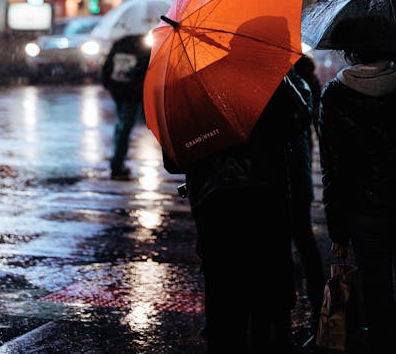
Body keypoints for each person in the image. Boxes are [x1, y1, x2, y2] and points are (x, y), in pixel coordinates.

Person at [163, 20, 312, 354]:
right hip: (265, 205)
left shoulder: (197, 84)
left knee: (223, 298)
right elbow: (301, 118)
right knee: (268, 302)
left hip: (216, 208)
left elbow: (174, 160)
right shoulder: (271, 86)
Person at [318, 16, 396, 354]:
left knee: (377, 296)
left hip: (365, 210)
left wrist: (337, 231)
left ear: (351, 50)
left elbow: (333, 167)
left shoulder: (335, 95)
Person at [288, 57, 325, 335]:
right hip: (296, 177)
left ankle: (311, 300)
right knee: (303, 238)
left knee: (295, 238)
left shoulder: (292, 83)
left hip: (282, 177)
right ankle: (316, 300)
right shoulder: (302, 79)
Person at [101, 34, 150, 180]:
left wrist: (109, 85)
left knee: (122, 126)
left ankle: (117, 162)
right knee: (124, 126)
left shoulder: (120, 43)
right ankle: (117, 165)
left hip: (118, 90)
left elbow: (107, 67)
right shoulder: (143, 48)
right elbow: (145, 71)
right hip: (130, 92)